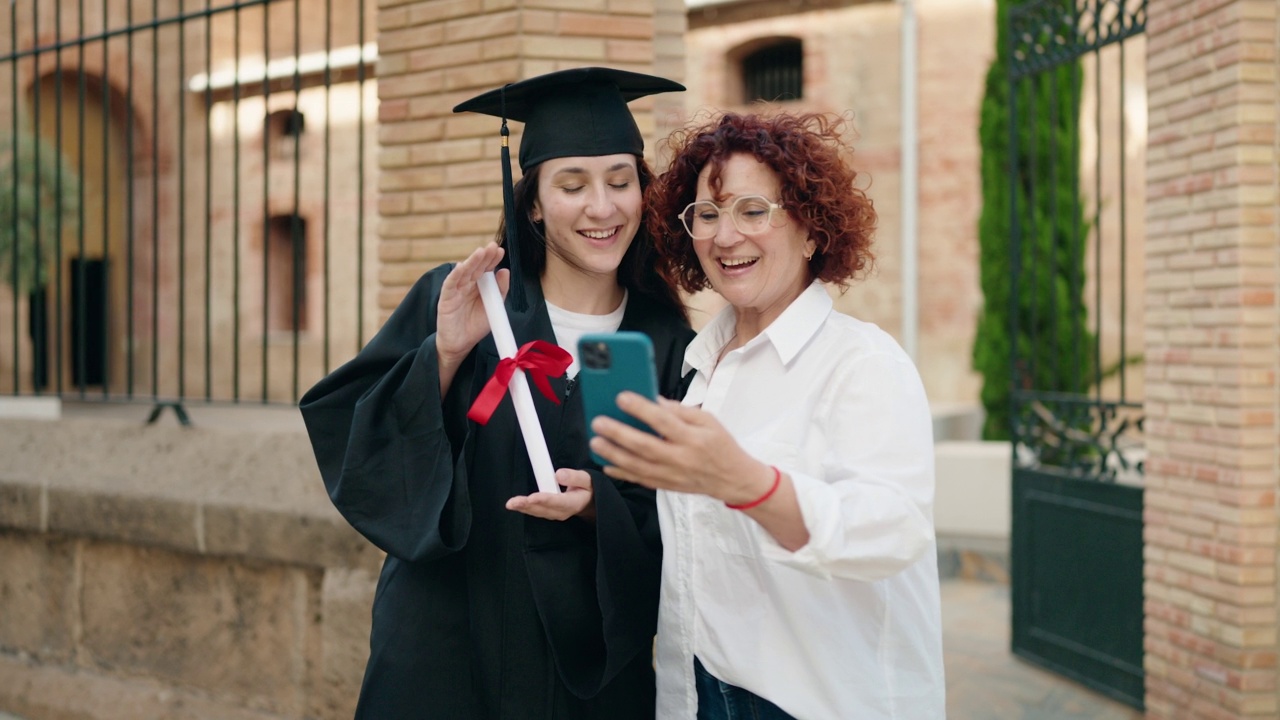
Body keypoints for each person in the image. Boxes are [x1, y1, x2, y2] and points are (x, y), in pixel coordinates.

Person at [299, 67, 693, 719]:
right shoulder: (464, 301)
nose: (603, 207)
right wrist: (446, 355)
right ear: (532, 203)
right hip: (443, 653)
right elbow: (361, 448)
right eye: (573, 185)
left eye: (620, 182)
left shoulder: (662, 342)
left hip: (581, 669)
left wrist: (604, 511)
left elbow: (680, 518)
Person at [588, 111, 946, 719]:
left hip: (814, 701)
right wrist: (602, 502)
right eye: (707, 215)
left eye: (753, 211)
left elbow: (892, 529)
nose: (726, 238)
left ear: (811, 231)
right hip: (697, 689)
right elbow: (699, 536)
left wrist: (748, 485)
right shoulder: (701, 368)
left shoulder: (861, 364)